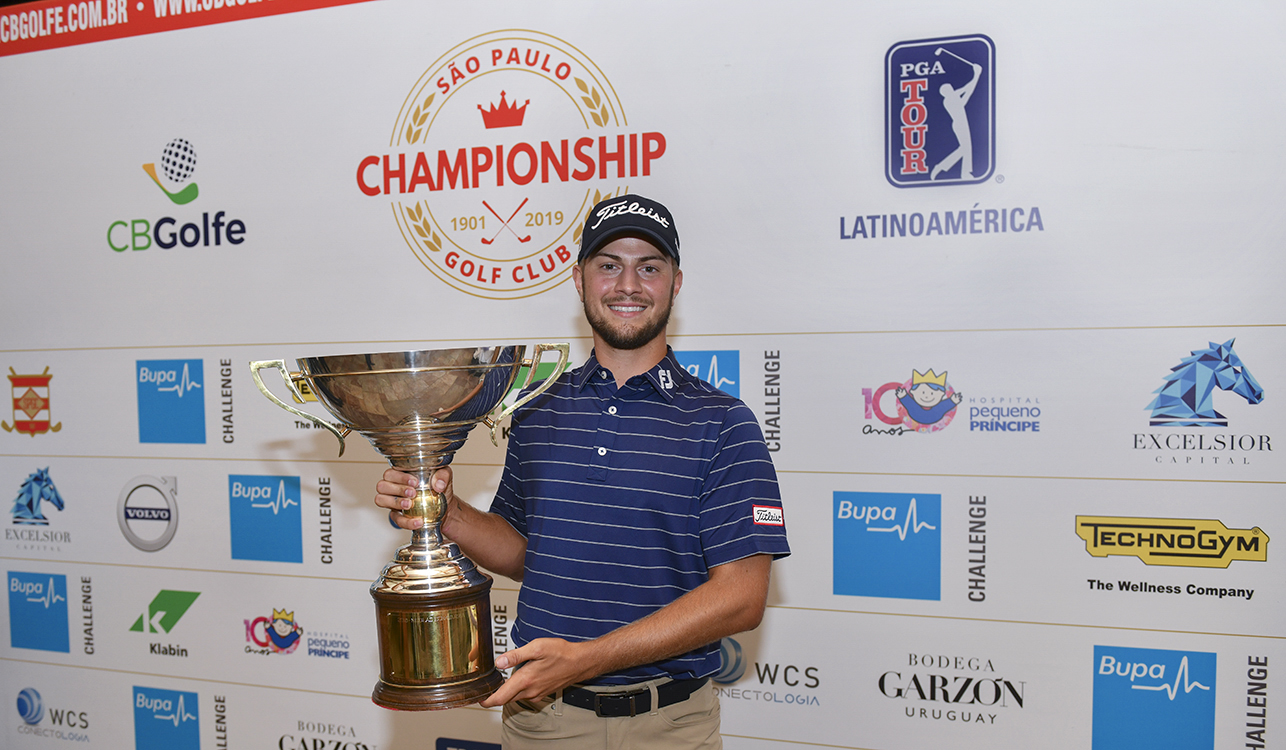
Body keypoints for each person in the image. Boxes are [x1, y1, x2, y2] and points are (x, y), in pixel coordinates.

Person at [374, 194, 790, 749]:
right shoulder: (537, 408)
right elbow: (524, 552)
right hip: (543, 722)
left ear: (676, 283)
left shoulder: (722, 423)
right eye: (609, 265)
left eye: (649, 267)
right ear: (579, 279)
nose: (628, 285)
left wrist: (586, 660)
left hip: (669, 726)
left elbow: (742, 597)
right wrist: (446, 513)